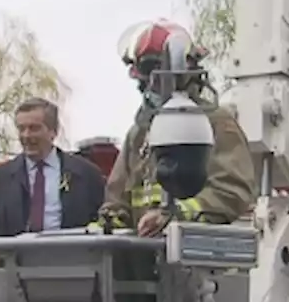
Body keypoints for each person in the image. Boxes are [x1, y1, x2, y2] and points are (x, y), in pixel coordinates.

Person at [96, 20, 255, 236]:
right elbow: (118, 198)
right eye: (144, 76)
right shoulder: (140, 131)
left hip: (193, 253)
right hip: (142, 254)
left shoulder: (214, 122)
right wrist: (109, 223)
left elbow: (231, 190)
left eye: (152, 71)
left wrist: (176, 214)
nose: (147, 85)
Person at [0, 97, 106, 241]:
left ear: (53, 131)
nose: (26, 135)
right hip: (14, 261)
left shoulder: (87, 174)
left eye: (34, 128)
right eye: (21, 129)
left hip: (70, 259)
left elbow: (102, 226)